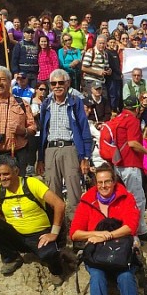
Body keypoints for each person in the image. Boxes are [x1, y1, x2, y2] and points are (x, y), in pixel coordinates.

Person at [70, 164, 145, 295]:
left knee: (126, 277)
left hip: (121, 253)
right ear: (95, 183)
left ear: (114, 181)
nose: (103, 186)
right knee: (97, 278)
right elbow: (75, 233)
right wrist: (95, 234)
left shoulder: (126, 198)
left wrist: (107, 236)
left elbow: (131, 227)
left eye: (107, 182)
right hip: (97, 255)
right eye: (100, 182)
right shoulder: (87, 200)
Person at [0, 156, 67, 284]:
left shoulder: (31, 184)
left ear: (16, 171)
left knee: (49, 255)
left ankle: (57, 271)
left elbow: (59, 204)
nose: (2, 178)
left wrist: (53, 233)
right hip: (17, 237)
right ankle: (11, 257)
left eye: (6, 174)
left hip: (40, 236)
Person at [37, 69, 93, 214]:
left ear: (67, 83)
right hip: (51, 149)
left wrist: (85, 157)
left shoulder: (75, 102)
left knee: (74, 193)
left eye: (60, 83)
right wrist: (40, 158)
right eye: (53, 83)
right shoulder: (46, 104)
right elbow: (43, 132)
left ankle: (76, 226)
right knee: (53, 193)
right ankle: (58, 227)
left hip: (70, 149)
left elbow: (84, 129)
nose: (57, 86)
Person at [108, 95, 147, 241]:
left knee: (121, 199)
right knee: (138, 199)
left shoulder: (117, 119)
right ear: (137, 108)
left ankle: (130, 228)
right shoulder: (132, 120)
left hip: (117, 163)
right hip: (130, 164)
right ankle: (136, 231)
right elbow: (132, 143)